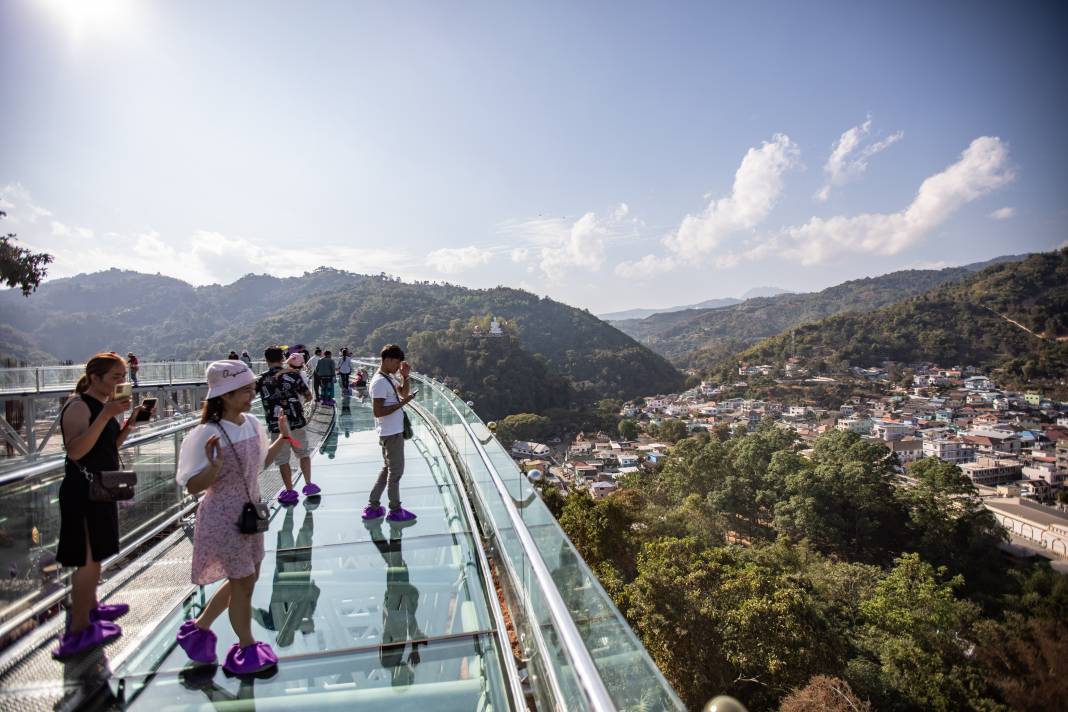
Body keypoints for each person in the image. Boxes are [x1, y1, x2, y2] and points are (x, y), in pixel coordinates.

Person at [174, 360, 291, 676]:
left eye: (251, 388)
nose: (251, 394)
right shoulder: (207, 434)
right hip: (224, 518)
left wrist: (281, 439)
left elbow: (259, 465)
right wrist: (212, 469)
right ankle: (245, 645)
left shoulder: (252, 423)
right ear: (224, 395)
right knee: (243, 584)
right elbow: (192, 486)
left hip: (250, 515)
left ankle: (200, 629)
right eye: (245, 390)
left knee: (246, 578)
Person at [54, 353, 152, 658]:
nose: (120, 383)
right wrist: (106, 415)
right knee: (86, 560)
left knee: (96, 555)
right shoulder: (79, 406)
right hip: (82, 493)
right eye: (114, 377)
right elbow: (76, 451)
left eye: (123, 376)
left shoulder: (103, 407)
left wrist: (128, 424)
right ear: (94, 377)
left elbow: (108, 447)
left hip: (100, 489)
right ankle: (79, 628)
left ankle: (93, 607)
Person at [256, 347, 319, 504]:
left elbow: (251, 394)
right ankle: (308, 485)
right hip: (296, 421)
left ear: (266, 360)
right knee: (303, 452)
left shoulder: (261, 379)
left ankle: (289, 491)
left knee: (282, 458)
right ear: (282, 358)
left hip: (277, 425)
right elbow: (309, 396)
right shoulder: (292, 374)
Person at [362, 345, 417, 523]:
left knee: (388, 469)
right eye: (397, 363)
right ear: (388, 360)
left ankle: (373, 506)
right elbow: (378, 411)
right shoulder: (379, 382)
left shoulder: (388, 377)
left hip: (392, 431)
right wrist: (404, 403)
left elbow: (403, 392)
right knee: (396, 472)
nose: (398, 366)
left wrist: (405, 377)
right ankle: (395, 510)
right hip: (390, 433)